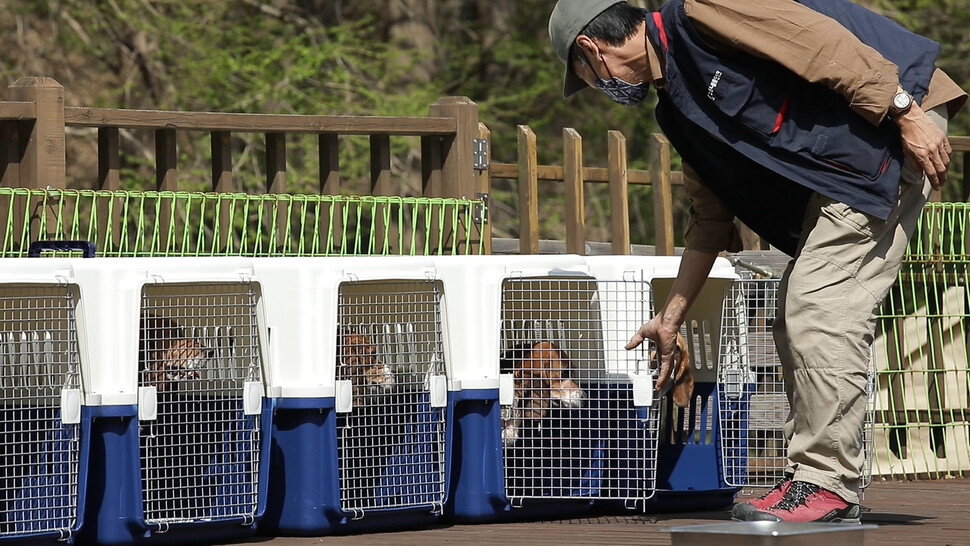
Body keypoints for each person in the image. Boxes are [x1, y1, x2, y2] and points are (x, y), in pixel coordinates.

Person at [549, 0, 966, 524]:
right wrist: (672, 314)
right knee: (795, 314)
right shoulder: (676, 106)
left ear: (591, 51)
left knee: (818, 307)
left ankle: (827, 482)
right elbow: (709, 219)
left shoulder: (700, 13)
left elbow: (820, 43)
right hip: (854, 155)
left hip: (891, 116)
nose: (594, 88)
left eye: (584, 77)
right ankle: (811, 477)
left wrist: (906, 112)